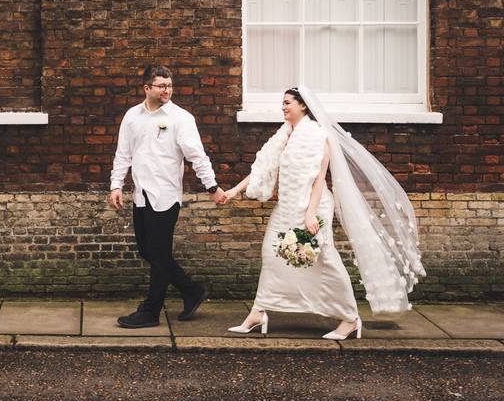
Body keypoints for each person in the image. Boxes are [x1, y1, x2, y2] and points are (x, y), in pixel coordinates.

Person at [224, 87, 425, 339]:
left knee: (324, 260)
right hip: (286, 206)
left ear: (303, 106)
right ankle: (259, 311)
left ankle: (350, 318)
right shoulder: (284, 134)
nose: (283, 107)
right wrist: (234, 191)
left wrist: (310, 214)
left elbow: (319, 179)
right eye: (282, 103)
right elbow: (263, 169)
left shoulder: (318, 135)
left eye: (287, 103)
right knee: (271, 254)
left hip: (314, 206)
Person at [108, 64, 227, 329]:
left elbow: (197, 156)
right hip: (141, 195)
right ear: (146, 88)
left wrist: (212, 187)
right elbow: (123, 154)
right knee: (147, 250)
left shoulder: (181, 118)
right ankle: (191, 290)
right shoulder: (132, 116)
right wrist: (116, 185)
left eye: (170, 86)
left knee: (160, 255)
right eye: (162, 86)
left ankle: (151, 311)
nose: (167, 91)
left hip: (165, 196)